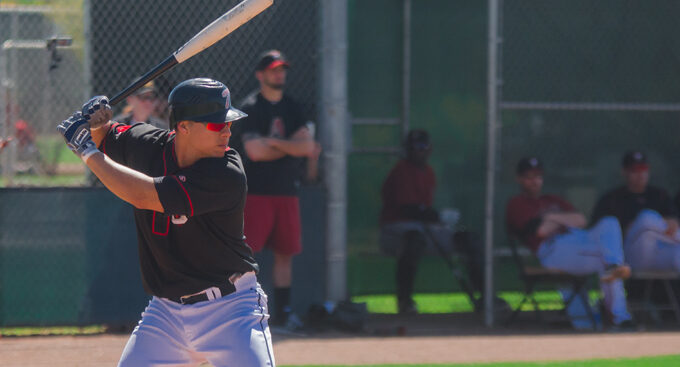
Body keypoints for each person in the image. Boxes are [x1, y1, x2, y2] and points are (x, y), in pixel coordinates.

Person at [57, 78, 276, 366]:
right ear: (183, 126)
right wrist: (95, 123)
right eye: (215, 124)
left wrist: (86, 150)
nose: (226, 130)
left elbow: (143, 195)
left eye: (228, 122)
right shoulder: (148, 144)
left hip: (232, 310)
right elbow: (104, 136)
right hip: (166, 314)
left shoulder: (227, 172)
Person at [234, 50, 321, 329]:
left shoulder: (294, 107)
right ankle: (245, 312)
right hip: (257, 192)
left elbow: (308, 148)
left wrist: (273, 142)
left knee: (285, 254)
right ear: (260, 75)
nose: (279, 74)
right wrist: (289, 146)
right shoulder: (250, 106)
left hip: (286, 192)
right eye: (273, 69)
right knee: (249, 256)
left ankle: (283, 313)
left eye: (282, 69)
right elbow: (254, 152)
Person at [505, 157, 633, 329]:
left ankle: (614, 269)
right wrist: (564, 220)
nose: (534, 181)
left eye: (537, 176)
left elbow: (580, 220)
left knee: (609, 223)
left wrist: (550, 217)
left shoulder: (552, 200)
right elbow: (541, 231)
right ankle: (619, 318)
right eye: (529, 177)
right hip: (552, 249)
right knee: (608, 261)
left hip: (577, 242)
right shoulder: (517, 203)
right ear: (519, 179)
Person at [379, 129, 484, 315]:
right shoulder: (400, 170)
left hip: (425, 228)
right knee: (414, 239)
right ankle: (405, 301)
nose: (418, 151)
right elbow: (408, 209)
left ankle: (485, 298)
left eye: (422, 147)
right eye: (414, 147)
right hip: (396, 229)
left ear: (429, 149)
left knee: (468, 239)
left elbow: (424, 212)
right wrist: (435, 216)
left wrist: (437, 218)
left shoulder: (429, 172)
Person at [592, 151, 680, 273]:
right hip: (628, 256)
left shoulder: (660, 195)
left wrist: (670, 222)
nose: (641, 174)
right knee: (646, 218)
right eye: (635, 170)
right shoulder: (612, 199)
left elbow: (674, 221)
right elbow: (597, 232)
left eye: (643, 169)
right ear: (624, 172)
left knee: (677, 254)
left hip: (659, 252)